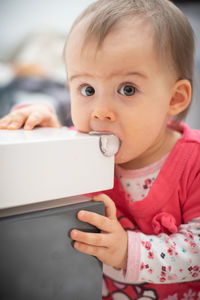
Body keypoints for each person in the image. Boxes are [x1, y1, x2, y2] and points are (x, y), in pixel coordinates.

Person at [0, 0, 200, 298]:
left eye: (127, 89)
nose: (100, 112)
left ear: (174, 98)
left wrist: (127, 252)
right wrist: (45, 124)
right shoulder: (88, 145)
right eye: (87, 90)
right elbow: (54, 152)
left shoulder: (193, 160)